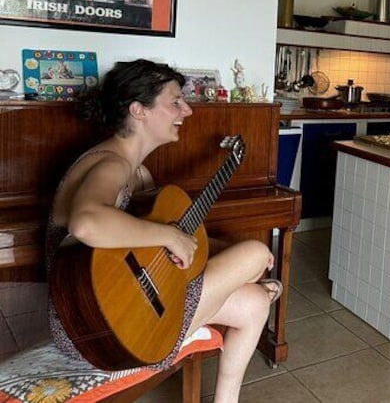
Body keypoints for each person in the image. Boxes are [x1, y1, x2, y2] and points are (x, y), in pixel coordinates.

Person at [46, 59, 280, 403]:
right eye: (175, 102)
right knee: (256, 253)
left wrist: (183, 241)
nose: (186, 109)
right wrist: (172, 236)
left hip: (119, 310)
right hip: (96, 330)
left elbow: (140, 245)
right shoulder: (110, 163)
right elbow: (87, 223)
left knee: (255, 303)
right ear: (139, 110)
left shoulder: (138, 172)